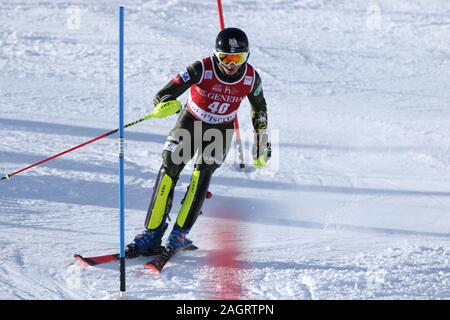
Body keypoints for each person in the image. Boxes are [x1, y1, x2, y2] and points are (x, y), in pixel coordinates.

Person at [126, 27, 271, 258]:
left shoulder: (251, 78)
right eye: (225, 58)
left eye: (238, 58)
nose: (231, 65)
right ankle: (151, 233)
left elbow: (260, 108)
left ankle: (179, 234)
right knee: (169, 168)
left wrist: (262, 141)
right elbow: (165, 92)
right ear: (216, 55)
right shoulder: (201, 68)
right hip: (191, 121)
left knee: (201, 175)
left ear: (247, 57)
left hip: (220, 129)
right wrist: (167, 103)